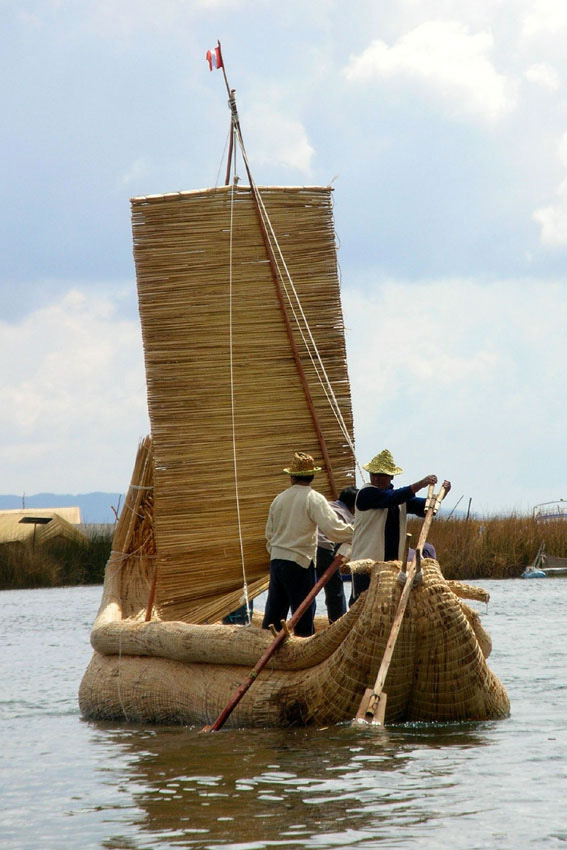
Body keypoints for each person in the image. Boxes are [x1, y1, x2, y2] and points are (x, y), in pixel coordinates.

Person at [262, 452, 354, 637]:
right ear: (312, 476)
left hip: (277, 561)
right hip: (299, 563)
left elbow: (269, 535)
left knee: (274, 611)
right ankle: (302, 649)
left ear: (292, 477)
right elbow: (334, 530)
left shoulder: (278, 499)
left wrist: (277, 553)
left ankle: (265, 646)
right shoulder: (313, 498)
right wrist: (356, 530)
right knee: (303, 613)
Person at [350, 449, 450, 602]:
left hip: (392, 565)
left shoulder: (399, 499)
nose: (376, 478)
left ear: (391, 477)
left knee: (386, 605)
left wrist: (443, 494)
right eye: (374, 474)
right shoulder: (366, 494)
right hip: (367, 562)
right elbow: (391, 498)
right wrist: (420, 484)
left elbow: (426, 508)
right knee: (361, 602)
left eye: (382, 475)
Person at [316, 486, 358, 623]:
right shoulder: (349, 517)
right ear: (353, 506)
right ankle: (337, 622)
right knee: (335, 590)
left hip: (308, 549)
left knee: (307, 588)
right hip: (324, 550)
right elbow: (351, 536)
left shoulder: (327, 506)